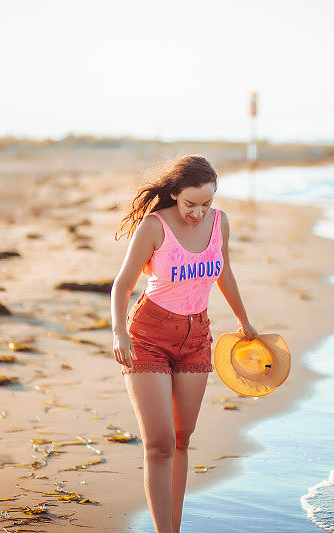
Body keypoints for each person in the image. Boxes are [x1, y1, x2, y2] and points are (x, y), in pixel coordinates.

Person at [110, 154, 258, 532]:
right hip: (149, 335)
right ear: (175, 193)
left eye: (206, 203)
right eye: (191, 203)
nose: (198, 212)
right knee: (158, 444)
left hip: (197, 337)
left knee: (180, 439)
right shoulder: (154, 227)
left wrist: (244, 321)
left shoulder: (220, 222)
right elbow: (123, 284)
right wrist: (118, 331)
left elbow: (224, 273)